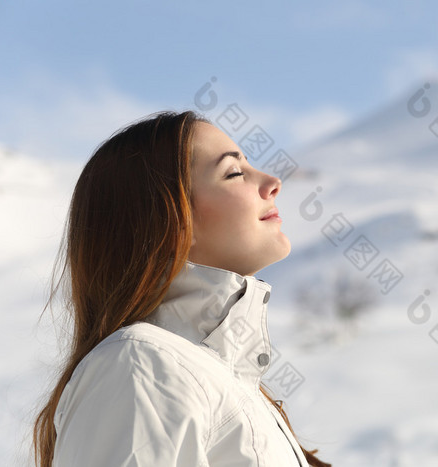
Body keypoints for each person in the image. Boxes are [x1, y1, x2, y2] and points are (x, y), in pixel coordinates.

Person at [32, 111, 331, 466]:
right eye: (234, 173)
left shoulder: (216, 380)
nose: (272, 181)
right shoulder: (141, 365)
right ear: (170, 220)